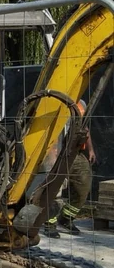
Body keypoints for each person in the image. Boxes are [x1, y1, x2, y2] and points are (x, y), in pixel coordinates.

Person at [43, 98, 95, 238]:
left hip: (74, 153)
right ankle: (49, 223)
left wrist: (90, 150)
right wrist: (52, 159)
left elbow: (84, 128)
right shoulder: (52, 103)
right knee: (54, 191)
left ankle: (66, 218)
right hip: (54, 153)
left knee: (83, 186)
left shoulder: (81, 104)